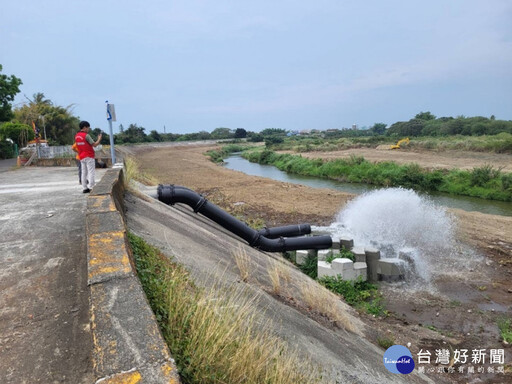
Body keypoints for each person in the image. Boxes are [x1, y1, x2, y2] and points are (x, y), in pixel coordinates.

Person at [75, 121, 102, 193]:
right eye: (88, 127)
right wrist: (99, 138)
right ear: (84, 127)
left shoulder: (77, 136)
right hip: (89, 155)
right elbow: (94, 144)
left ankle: (84, 187)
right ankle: (91, 186)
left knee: (84, 172)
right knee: (91, 171)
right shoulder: (86, 135)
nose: (88, 129)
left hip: (81, 156)